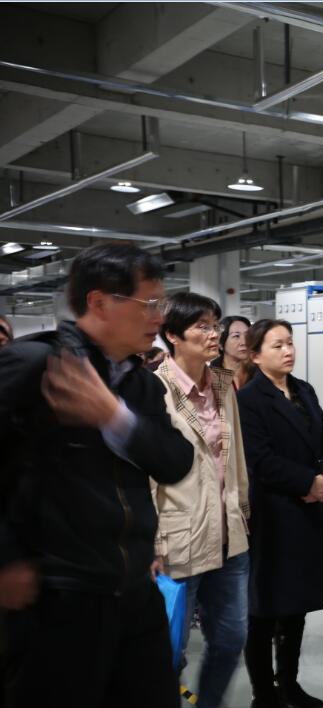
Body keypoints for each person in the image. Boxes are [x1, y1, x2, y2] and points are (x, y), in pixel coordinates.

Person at [0, 243, 193, 708]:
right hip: (58, 599)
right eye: (149, 304)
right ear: (100, 302)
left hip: (135, 591)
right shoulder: (36, 365)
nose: (158, 317)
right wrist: (6, 559)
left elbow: (175, 461)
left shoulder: (140, 384)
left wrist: (114, 416)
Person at [152, 292, 251, 708]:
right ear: (173, 335)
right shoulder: (156, 389)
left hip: (230, 539)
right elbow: (147, 472)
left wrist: (243, 517)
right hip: (179, 541)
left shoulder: (224, 385)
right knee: (169, 652)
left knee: (230, 640)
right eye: (203, 326)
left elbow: (236, 460)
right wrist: (151, 542)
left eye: (216, 325)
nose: (215, 334)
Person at [237, 319, 323, 708]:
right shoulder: (249, 400)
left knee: (297, 604)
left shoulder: (303, 390)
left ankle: (289, 684)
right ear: (255, 355)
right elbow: (259, 458)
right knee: (265, 609)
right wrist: (306, 482)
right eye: (277, 345)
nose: (288, 351)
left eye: (290, 343)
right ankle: (264, 693)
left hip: (309, 511)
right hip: (273, 515)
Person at [212, 315, 252, 390]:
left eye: (247, 335)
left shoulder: (258, 371)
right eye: (236, 336)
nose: (244, 342)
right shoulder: (210, 375)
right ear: (220, 343)